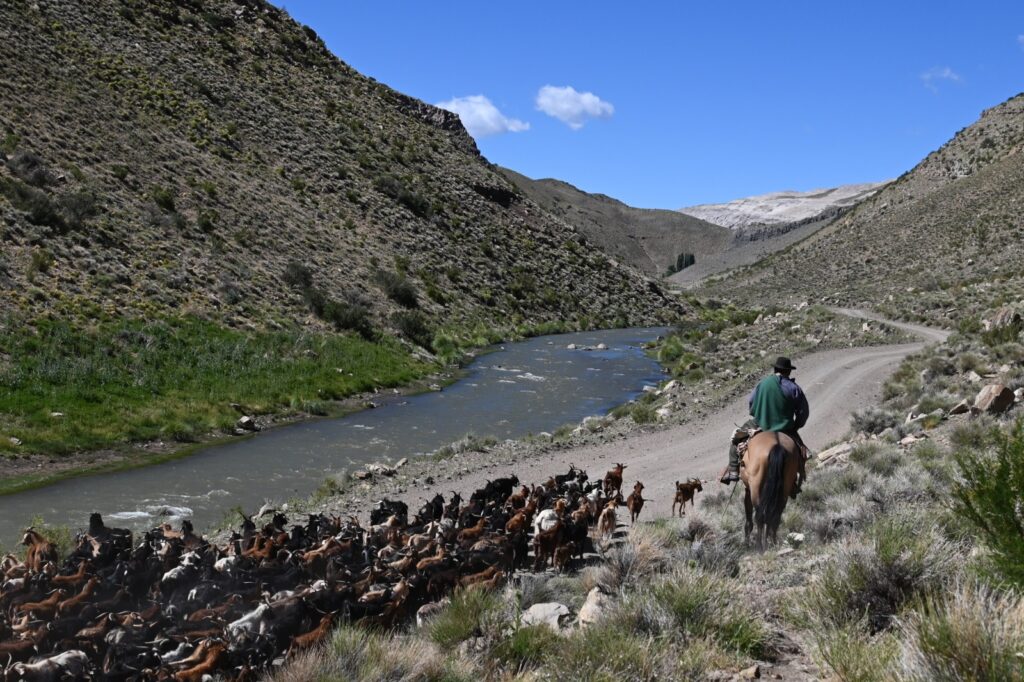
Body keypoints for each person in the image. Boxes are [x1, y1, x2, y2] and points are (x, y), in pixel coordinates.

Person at [720, 356, 809, 492]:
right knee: (803, 451)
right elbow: (803, 413)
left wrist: (760, 412)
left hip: (759, 423)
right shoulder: (794, 387)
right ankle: (794, 480)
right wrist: (796, 426)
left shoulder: (762, 384)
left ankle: (733, 471)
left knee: (736, 439)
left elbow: (751, 402)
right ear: (788, 372)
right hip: (785, 428)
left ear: (775, 369)